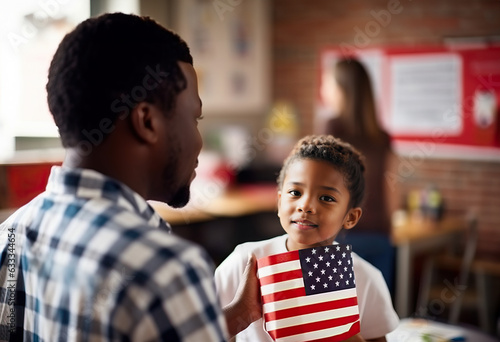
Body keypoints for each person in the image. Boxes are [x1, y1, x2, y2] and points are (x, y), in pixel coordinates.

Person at [0, 13, 261, 341]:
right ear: (147, 121)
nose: (199, 140)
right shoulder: (167, 269)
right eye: (195, 118)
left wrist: (236, 317)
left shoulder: (9, 236)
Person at [215, 135, 399, 342]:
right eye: (295, 192)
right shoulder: (243, 263)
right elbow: (200, 334)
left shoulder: (365, 278)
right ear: (279, 201)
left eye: (326, 198)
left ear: (350, 217)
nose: (306, 205)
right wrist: (240, 312)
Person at [320, 57, 399, 293]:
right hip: (379, 236)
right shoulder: (382, 136)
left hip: (341, 236)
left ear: (341, 89)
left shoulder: (331, 128)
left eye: (327, 82)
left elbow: (320, 187)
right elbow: (392, 188)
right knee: (376, 318)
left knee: (336, 318)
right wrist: (391, 230)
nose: (323, 89)